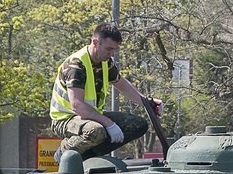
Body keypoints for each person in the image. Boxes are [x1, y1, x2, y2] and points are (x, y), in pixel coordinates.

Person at [50, 22, 162, 163]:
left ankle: (87, 157)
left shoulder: (105, 62)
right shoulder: (76, 65)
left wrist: (148, 102)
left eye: (114, 50)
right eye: (109, 49)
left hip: (90, 117)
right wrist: (108, 124)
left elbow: (122, 85)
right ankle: (65, 152)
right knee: (96, 131)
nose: (112, 54)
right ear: (96, 42)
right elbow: (77, 105)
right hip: (65, 119)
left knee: (138, 124)